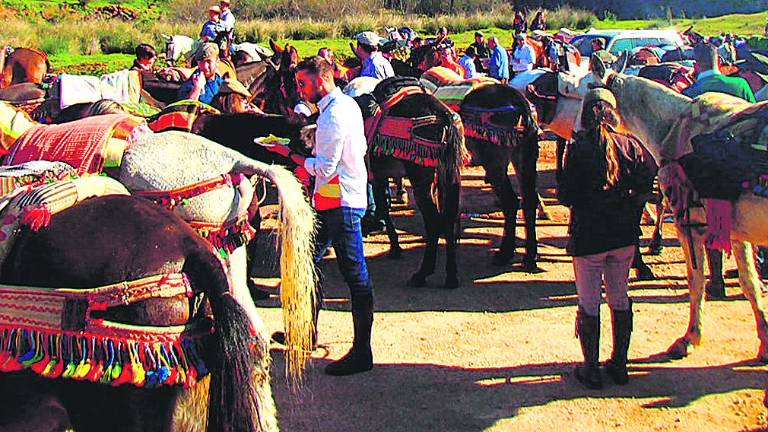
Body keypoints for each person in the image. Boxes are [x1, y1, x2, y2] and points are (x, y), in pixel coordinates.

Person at [263, 56, 375, 376]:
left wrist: (290, 156)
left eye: (303, 84)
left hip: (342, 203)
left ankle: (362, 351)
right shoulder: (343, 106)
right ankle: (305, 332)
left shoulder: (332, 118)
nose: (299, 90)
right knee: (309, 261)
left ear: (321, 81)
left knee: (355, 274)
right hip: (332, 200)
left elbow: (324, 169)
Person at [558, 88, 656, 389]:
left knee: (589, 302)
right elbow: (646, 188)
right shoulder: (633, 146)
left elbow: (565, 196)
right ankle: (620, 364)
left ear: (585, 115)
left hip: (588, 237)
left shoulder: (577, 148)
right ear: (615, 114)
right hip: (624, 236)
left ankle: (591, 369)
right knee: (619, 297)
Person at [682, 43, 756, 298]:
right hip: (746, 165)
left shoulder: (691, 92)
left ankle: (717, 280)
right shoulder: (741, 87)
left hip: (710, 171)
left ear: (696, 65)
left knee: (711, 220)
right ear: (718, 62)